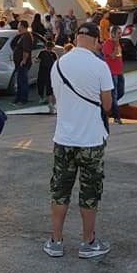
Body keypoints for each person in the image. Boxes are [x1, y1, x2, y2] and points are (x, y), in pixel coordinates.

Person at [43, 21, 113, 259]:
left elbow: (59, 97)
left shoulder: (58, 64)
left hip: (63, 138)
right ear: (95, 40)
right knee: (90, 192)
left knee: (60, 191)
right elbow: (107, 105)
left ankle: (56, 241)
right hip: (91, 140)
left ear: (76, 37)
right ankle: (88, 242)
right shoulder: (100, 66)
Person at [102, 25, 124, 124]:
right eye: (119, 33)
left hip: (119, 72)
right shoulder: (108, 43)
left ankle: (109, 104)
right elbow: (113, 56)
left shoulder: (118, 44)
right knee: (114, 94)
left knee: (121, 92)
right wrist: (115, 44)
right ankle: (117, 117)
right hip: (112, 72)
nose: (120, 35)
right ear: (113, 34)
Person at [12, 20, 33, 106]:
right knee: (20, 81)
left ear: (23, 26)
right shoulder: (22, 36)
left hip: (23, 63)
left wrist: (23, 60)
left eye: (19, 25)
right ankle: (18, 98)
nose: (18, 27)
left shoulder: (26, 36)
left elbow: (26, 50)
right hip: (19, 63)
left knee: (23, 81)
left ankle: (23, 99)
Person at [36, 34, 57, 113]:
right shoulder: (52, 54)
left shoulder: (42, 52)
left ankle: (43, 98)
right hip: (48, 71)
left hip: (43, 71)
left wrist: (37, 60)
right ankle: (49, 101)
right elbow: (55, 62)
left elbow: (37, 60)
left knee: (41, 84)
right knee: (48, 86)